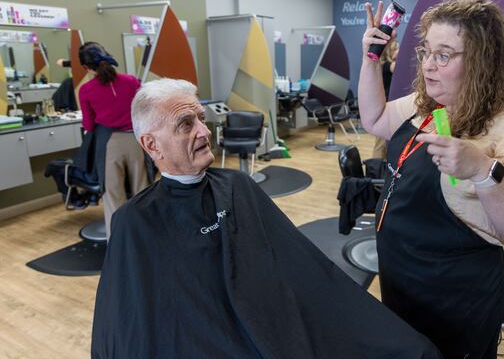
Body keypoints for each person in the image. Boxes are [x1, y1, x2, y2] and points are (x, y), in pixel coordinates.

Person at [91, 78, 443, 359]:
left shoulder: (237, 186)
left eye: (200, 118)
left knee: (413, 350)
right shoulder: (134, 222)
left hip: (275, 324)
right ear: (152, 145)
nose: (204, 131)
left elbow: (298, 265)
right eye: (186, 124)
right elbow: (130, 326)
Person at [358, 0, 504, 358]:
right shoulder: (429, 103)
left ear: (483, 61)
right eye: (426, 51)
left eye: (443, 55)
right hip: (403, 273)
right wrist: (370, 59)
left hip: (461, 292)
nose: (427, 65)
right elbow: (374, 120)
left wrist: (483, 171)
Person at [78, 42, 150, 237]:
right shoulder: (131, 81)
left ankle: (118, 242)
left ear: (85, 67)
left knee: (113, 197)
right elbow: (144, 109)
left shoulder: (86, 90)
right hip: (136, 141)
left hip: (109, 144)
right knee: (142, 192)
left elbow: (89, 126)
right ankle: (147, 238)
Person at [372, 39, 399, 159]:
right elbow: (399, 66)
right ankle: (375, 166)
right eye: (395, 48)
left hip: (385, 105)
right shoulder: (387, 65)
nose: (398, 50)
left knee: (382, 142)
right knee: (380, 143)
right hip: (385, 106)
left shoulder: (382, 65)